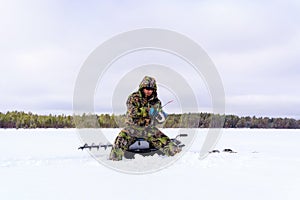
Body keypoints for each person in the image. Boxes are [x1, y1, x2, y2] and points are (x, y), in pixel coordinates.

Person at [109, 76, 182, 161]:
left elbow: (159, 119)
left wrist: (161, 117)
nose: (148, 91)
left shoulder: (156, 102)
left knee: (165, 141)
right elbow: (132, 112)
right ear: (142, 88)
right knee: (120, 141)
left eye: (151, 89)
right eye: (146, 88)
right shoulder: (133, 98)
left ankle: (179, 159)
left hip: (148, 129)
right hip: (132, 128)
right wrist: (148, 111)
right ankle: (114, 161)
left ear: (154, 90)